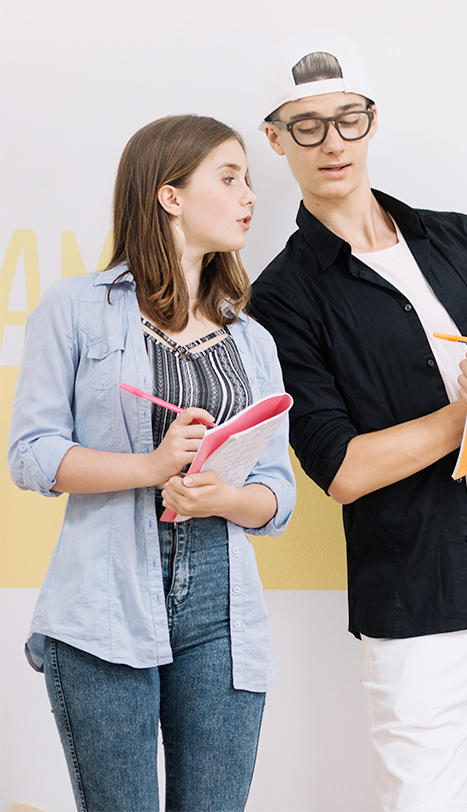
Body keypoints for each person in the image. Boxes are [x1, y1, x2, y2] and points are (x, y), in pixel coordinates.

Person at [245, 46, 467, 811]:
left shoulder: (464, 241)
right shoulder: (281, 299)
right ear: (275, 140)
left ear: (372, 124)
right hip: (418, 615)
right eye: (307, 128)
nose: (332, 143)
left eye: (348, 120)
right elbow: (341, 469)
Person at [8, 114, 295, 810]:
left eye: (248, 182)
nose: (249, 196)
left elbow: (277, 494)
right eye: (229, 179)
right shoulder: (76, 308)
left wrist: (221, 497)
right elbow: (31, 454)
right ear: (169, 195)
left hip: (222, 614)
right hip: (103, 607)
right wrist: (152, 467)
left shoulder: (250, 337)